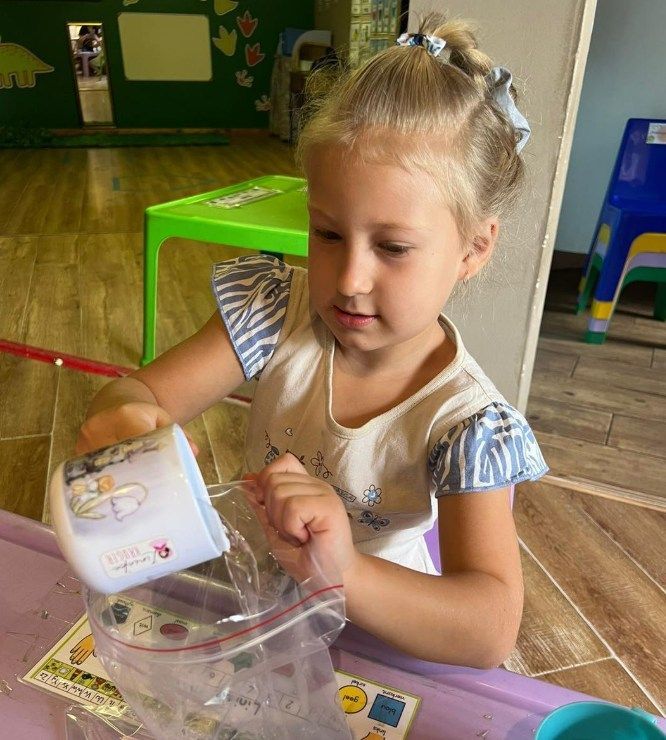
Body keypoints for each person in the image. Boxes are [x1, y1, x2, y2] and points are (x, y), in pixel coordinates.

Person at [76, 14, 547, 668]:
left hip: (377, 636)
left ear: (474, 248)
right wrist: (125, 419)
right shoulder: (275, 311)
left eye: (392, 247)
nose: (350, 279)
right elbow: (135, 393)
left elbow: (489, 627)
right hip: (252, 603)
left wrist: (344, 570)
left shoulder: (468, 424)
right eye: (328, 234)